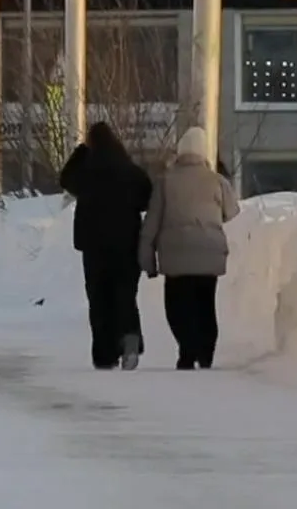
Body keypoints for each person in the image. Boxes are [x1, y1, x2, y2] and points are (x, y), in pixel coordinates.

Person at [139, 126, 240, 370]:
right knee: (205, 304)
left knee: (177, 305)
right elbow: (232, 211)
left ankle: (187, 349)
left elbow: (151, 222)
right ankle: (205, 352)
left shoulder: (165, 181)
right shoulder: (217, 180)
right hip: (209, 253)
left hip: (175, 255)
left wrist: (146, 259)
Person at [59, 122, 152, 371]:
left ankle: (105, 354)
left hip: (95, 246)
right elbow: (147, 197)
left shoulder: (86, 170)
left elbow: (65, 179)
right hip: (127, 244)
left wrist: (80, 152)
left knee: (99, 299)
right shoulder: (130, 170)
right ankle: (130, 337)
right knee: (125, 295)